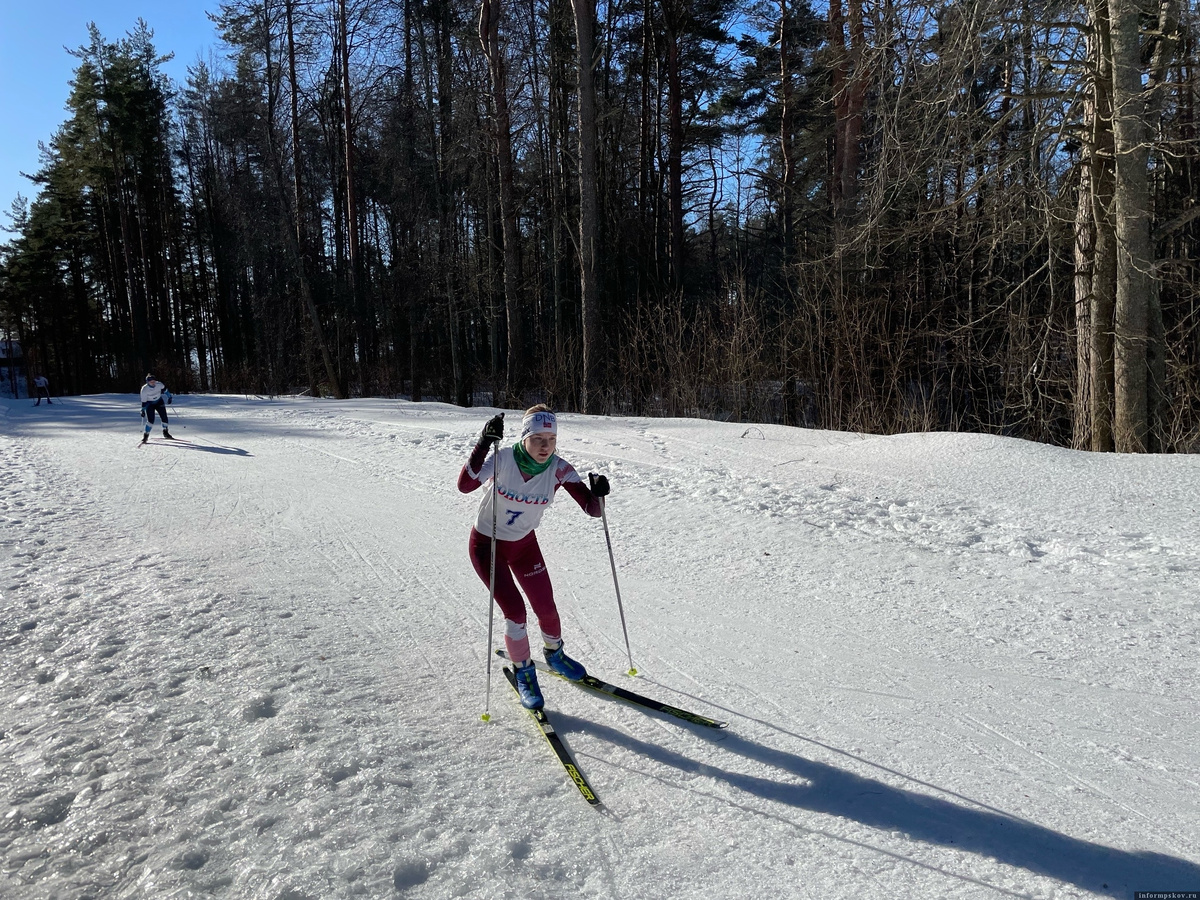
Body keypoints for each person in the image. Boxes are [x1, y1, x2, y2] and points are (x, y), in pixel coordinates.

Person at [458, 404, 610, 709]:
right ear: (524, 437)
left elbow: (592, 510)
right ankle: (524, 672)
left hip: (525, 545)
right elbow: (465, 485)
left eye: (551, 439)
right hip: (488, 546)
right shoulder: (503, 459)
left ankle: (555, 655)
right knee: (515, 611)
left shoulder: (559, 468)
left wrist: (599, 494)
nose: (545, 446)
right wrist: (484, 442)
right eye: (538, 438)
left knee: (546, 606)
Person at [140, 375, 174, 443]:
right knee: (151, 420)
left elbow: (165, 390)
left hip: (159, 402)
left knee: (164, 417)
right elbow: (144, 402)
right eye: (151, 382)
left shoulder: (159, 384)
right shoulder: (144, 389)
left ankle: (165, 432)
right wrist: (143, 410)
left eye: (154, 381)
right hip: (149, 404)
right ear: (147, 382)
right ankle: (146, 435)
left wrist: (169, 397)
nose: (153, 383)